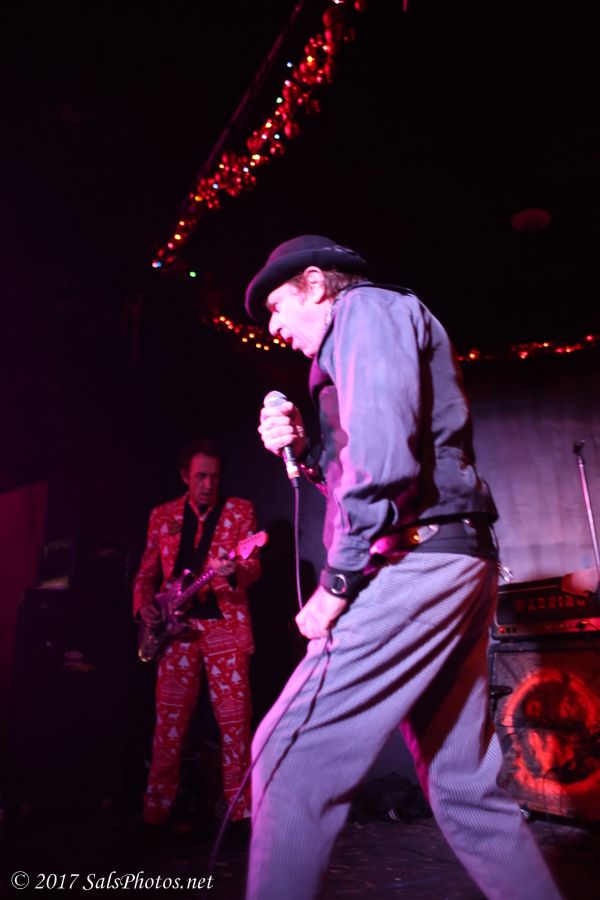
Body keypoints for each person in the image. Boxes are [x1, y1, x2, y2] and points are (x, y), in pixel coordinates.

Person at [243, 235, 561, 899]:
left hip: (418, 561)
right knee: (464, 787)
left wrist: (339, 580)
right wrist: (306, 451)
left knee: (288, 755)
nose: (273, 327)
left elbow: (385, 466)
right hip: (451, 558)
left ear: (315, 284)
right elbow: (378, 466)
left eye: (276, 307)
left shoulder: (366, 310)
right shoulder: (362, 336)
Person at [133, 438, 260, 830]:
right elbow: (145, 574)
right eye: (201, 476)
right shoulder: (163, 515)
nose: (208, 484)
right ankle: (156, 811)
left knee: (235, 723)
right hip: (176, 632)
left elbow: (253, 566)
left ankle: (240, 814)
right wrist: (144, 606)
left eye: (215, 477)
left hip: (224, 626)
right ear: (185, 476)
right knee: (168, 725)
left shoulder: (240, 511)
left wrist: (235, 571)